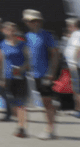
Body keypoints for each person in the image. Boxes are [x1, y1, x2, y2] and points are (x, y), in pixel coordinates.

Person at [23, 9, 59, 139]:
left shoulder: (47, 35)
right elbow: (26, 55)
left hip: (45, 74)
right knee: (42, 103)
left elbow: (55, 55)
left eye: (34, 20)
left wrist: (51, 73)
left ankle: (50, 129)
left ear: (39, 21)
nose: (32, 23)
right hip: (32, 75)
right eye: (29, 21)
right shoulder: (27, 36)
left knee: (46, 102)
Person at [0, 21, 31, 137]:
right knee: (13, 104)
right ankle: (19, 123)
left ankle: (21, 128)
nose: (11, 32)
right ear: (4, 31)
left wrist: (22, 68)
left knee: (21, 103)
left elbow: (29, 60)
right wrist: (0, 78)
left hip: (20, 77)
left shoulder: (22, 44)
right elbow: (0, 62)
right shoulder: (2, 44)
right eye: (8, 30)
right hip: (7, 77)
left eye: (13, 30)